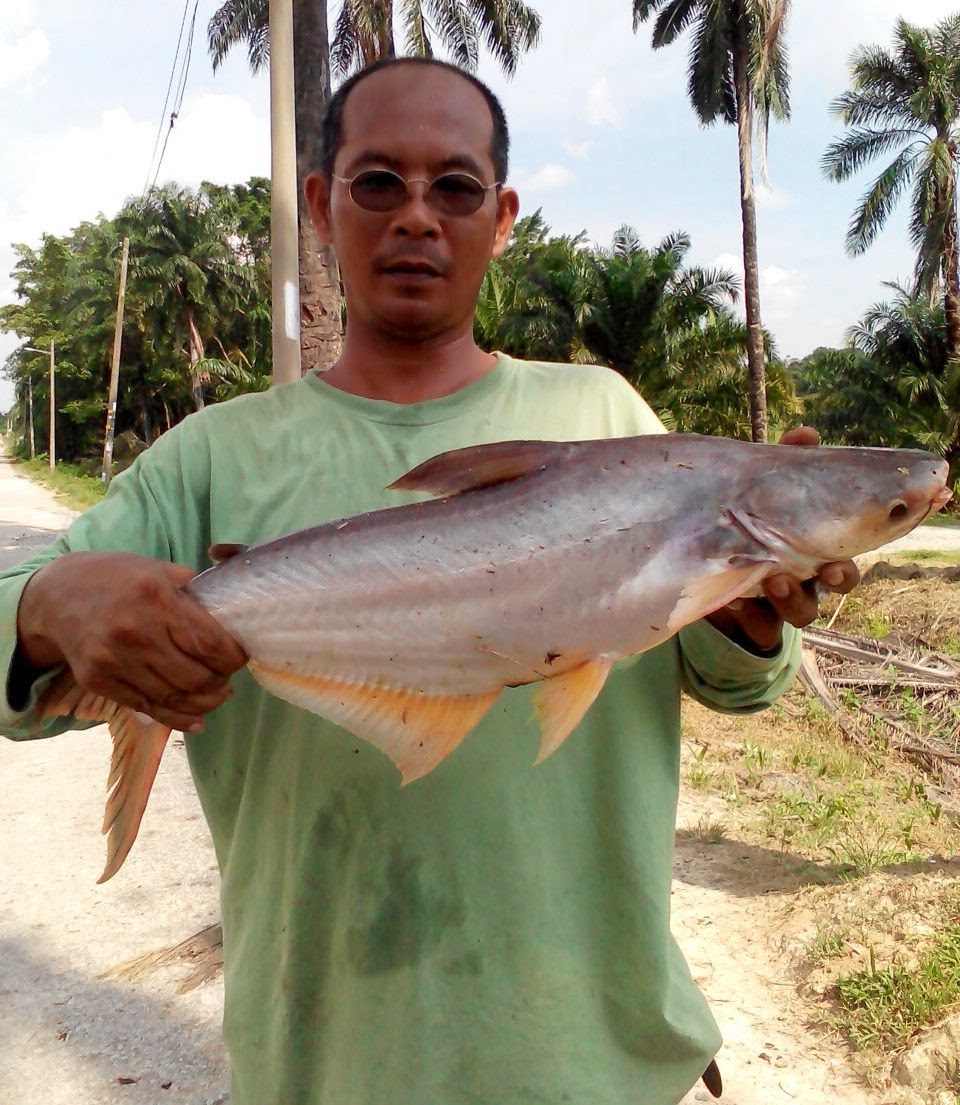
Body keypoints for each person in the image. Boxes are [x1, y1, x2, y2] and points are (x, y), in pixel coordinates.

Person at [0, 58, 858, 1105]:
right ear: (321, 204)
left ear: (501, 219)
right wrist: (49, 604)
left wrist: (759, 617)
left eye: (453, 188)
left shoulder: (612, 420)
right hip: (320, 1071)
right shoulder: (207, 459)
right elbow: (19, 644)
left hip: (600, 1068)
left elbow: (739, 681)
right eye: (378, 183)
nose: (417, 216)